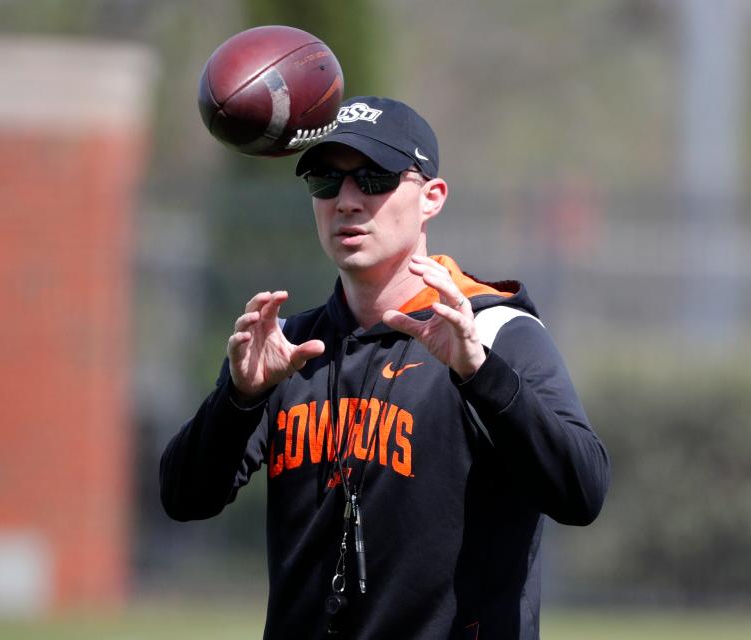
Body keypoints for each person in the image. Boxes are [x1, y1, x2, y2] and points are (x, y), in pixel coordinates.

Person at [159, 96, 610, 639]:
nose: (346, 200)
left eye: (373, 178)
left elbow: (582, 492)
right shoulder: (291, 348)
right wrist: (238, 398)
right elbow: (185, 498)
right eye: (326, 180)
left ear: (431, 198)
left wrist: (481, 375)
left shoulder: (492, 333)